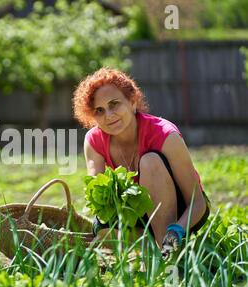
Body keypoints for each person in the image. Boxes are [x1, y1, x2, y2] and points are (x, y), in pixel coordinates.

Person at [73, 67, 210, 259]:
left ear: (132, 102)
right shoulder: (94, 141)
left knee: (150, 161)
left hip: (183, 213)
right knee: (103, 230)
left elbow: (197, 202)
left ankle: (169, 256)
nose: (109, 115)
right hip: (137, 212)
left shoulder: (164, 135)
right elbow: (99, 200)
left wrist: (177, 229)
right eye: (99, 110)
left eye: (114, 104)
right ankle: (152, 253)